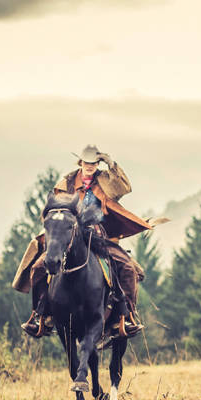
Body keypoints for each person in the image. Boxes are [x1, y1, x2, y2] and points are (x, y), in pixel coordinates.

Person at [12, 144, 151, 339]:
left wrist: (111, 165)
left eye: (94, 163)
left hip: (99, 235)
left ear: (98, 164)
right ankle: (40, 314)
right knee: (37, 268)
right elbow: (56, 211)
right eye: (87, 162)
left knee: (127, 268)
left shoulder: (105, 181)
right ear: (81, 162)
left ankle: (126, 316)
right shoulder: (66, 183)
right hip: (70, 235)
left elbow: (125, 187)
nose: (90, 166)